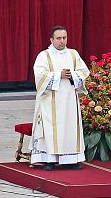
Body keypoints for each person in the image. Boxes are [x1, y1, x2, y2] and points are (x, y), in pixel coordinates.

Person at [31, 26, 90, 170]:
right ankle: (50, 159)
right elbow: (39, 76)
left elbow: (84, 72)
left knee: (70, 128)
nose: (62, 41)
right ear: (51, 40)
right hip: (50, 101)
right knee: (52, 129)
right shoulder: (44, 56)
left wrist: (73, 75)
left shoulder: (73, 54)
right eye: (58, 38)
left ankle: (70, 159)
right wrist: (59, 75)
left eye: (64, 38)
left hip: (69, 99)